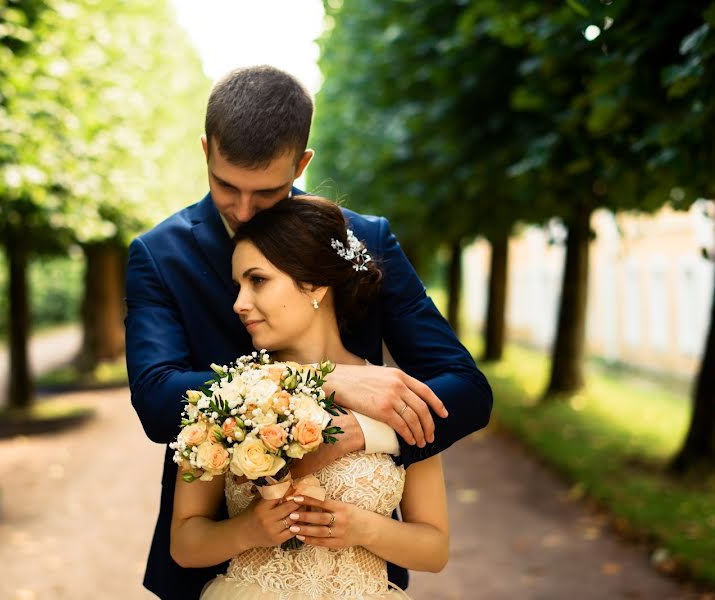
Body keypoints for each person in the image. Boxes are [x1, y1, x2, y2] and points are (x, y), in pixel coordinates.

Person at [126, 65, 491, 600]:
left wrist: (368, 433)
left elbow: (468, 389)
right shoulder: (159, 255)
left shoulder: (360, 242)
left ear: (301, 164)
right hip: (217, 572)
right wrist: (325, 382)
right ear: (205, 150)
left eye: (267, 190)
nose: (244, 209)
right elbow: (159, 402)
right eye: (226, 185)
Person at [171, 196, 450, 599]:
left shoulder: (394, 395)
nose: (239, 304)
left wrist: (362, 528)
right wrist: (248, 529)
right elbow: (184, 543)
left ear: (315, 284)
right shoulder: (229, 395)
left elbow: (435, 549)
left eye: (258, 280)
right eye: (238, 286)